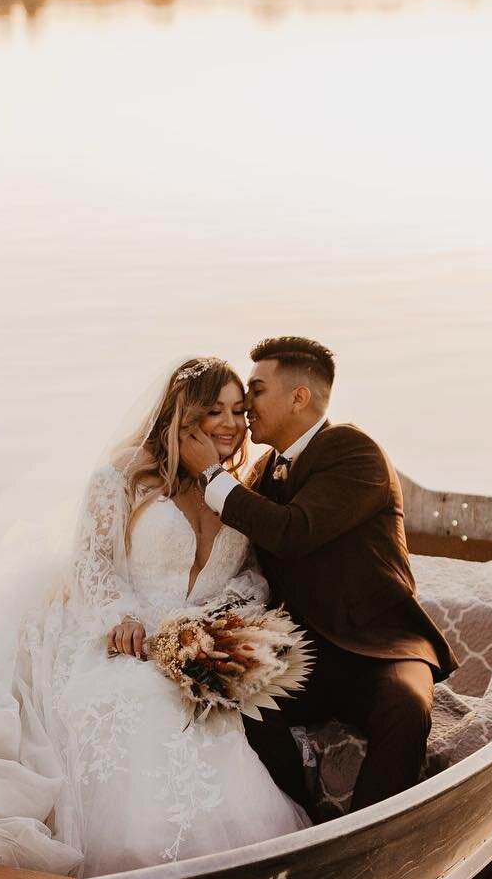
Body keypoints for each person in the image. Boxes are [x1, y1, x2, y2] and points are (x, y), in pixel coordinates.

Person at [0, 358, 309, 879]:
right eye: (215, 411)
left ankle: (241, 846)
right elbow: (92, 562)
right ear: (183, 417)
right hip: (121, 632)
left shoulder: (234, 492)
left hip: (192, 645)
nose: (231, 423)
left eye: (238, 410)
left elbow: (249, 579)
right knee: (141, 696)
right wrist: (122, 616)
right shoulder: (124, 475)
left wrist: (215, 627)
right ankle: (138, 850)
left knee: (217, 707)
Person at [179, 335, 453, 813]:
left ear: (299, 397)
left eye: (257, 392)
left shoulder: (353, 451)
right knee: (233, 703)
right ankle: (300, 811)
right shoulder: (265, 471)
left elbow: (293, 532)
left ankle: (370, 842)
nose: (246, 409)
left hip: (380, 646)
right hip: (308, 654)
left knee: (406, 707)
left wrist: (212, 475)